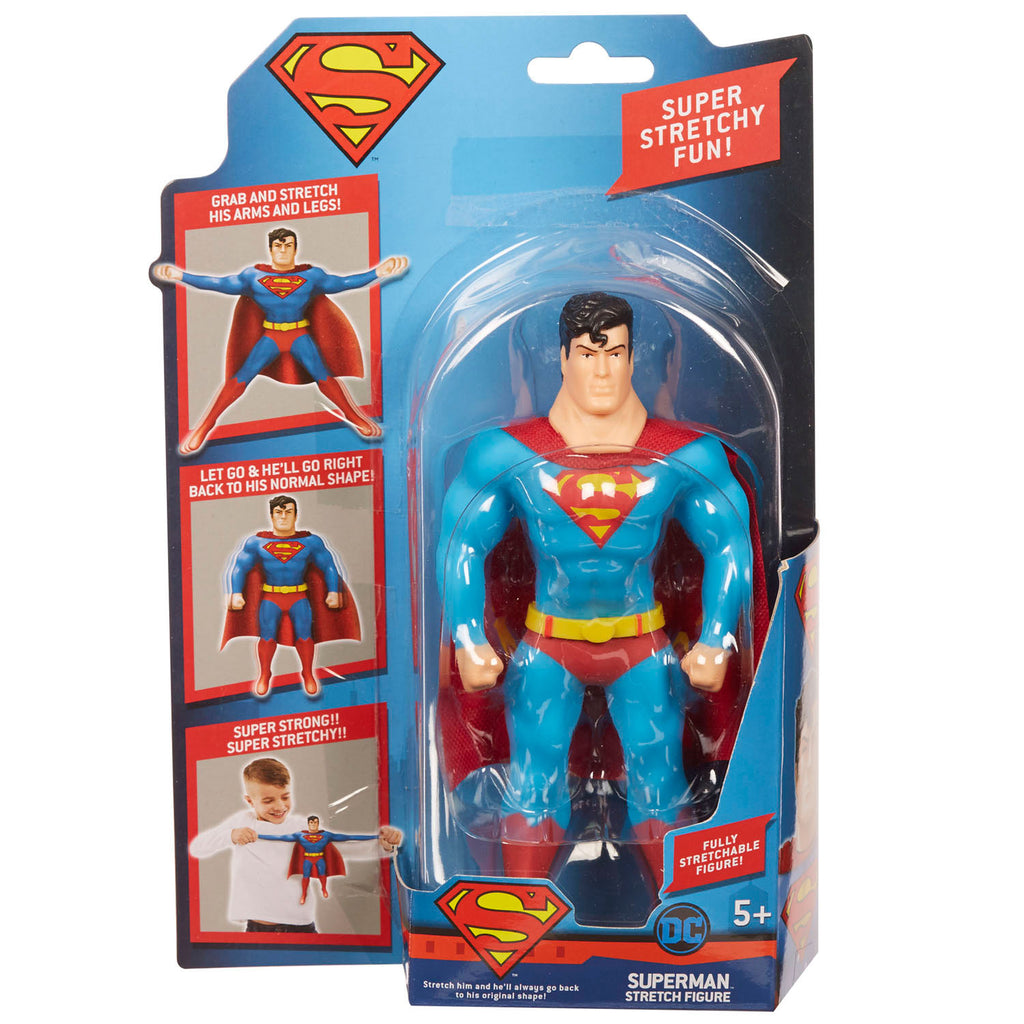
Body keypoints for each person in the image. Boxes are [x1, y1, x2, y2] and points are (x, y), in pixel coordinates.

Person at [437, 292, 764, 883]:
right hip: (548, 642)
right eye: (589, 354)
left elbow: (729, 543)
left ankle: (682, 912)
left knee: (660, 782)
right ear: (563, 358)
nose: (603, 370)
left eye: (614, 352)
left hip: (641, 644)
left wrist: (717, 637)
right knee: (532, 784)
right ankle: (519, 914)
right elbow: (462, 542)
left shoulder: (682, 456)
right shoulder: (509, 455)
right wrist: (466, 636)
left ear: (634, 357)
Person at [154, 227, 407, 452]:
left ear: (295, 249)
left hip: (299, 335)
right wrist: (180, 276)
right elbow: (218, 284)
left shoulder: (311, 276)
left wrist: (377, 272)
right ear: (271, 249)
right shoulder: (252, 276)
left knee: (324, 377)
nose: (283, 250)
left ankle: (355, 417)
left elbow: (343, 283)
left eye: (288, 245)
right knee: (239, 379)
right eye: (278, 245)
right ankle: (204, 427)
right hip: (271, 336)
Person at [224, 494, 360, 698]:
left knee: (305, 636)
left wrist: (333, 591)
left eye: (288, 512)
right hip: (271, 597)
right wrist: (236, 592)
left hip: (299, 596)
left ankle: (308, 673)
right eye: (278, 512)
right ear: (271, 515)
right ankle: (264, 674)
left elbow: (328, 566)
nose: (283, 516)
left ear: (296, 515)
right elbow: (240, 567)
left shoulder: (311, 542)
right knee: (267, 636)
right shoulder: (256, 542)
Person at [258, 814, 402, 904]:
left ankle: (323, 889)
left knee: (322, 873)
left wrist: (377, 839)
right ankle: (304, 894)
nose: (313, 825)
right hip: (306, 861)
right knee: (306, 875)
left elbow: (349, 839)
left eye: (315, 823)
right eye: (311, 823)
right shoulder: (300, 835)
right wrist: (257, 836)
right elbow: (280, 838)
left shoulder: (325, 835)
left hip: (318, 859)